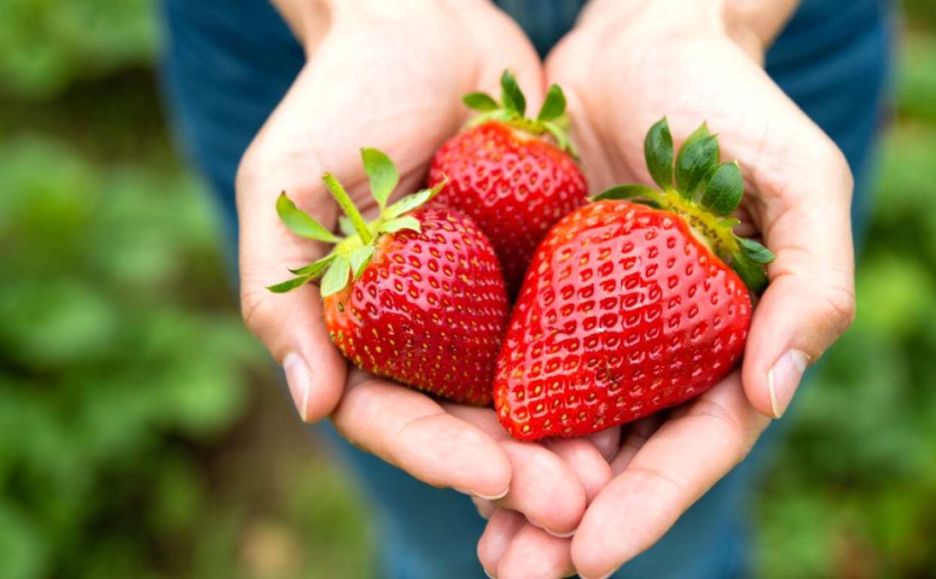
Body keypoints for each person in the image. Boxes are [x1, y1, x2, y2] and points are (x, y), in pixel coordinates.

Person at [161, 0, 890, 576]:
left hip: (778, 32)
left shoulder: (658, 254)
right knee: (443, 527)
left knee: (671, 542)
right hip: (288, 32)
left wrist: (707, 14)